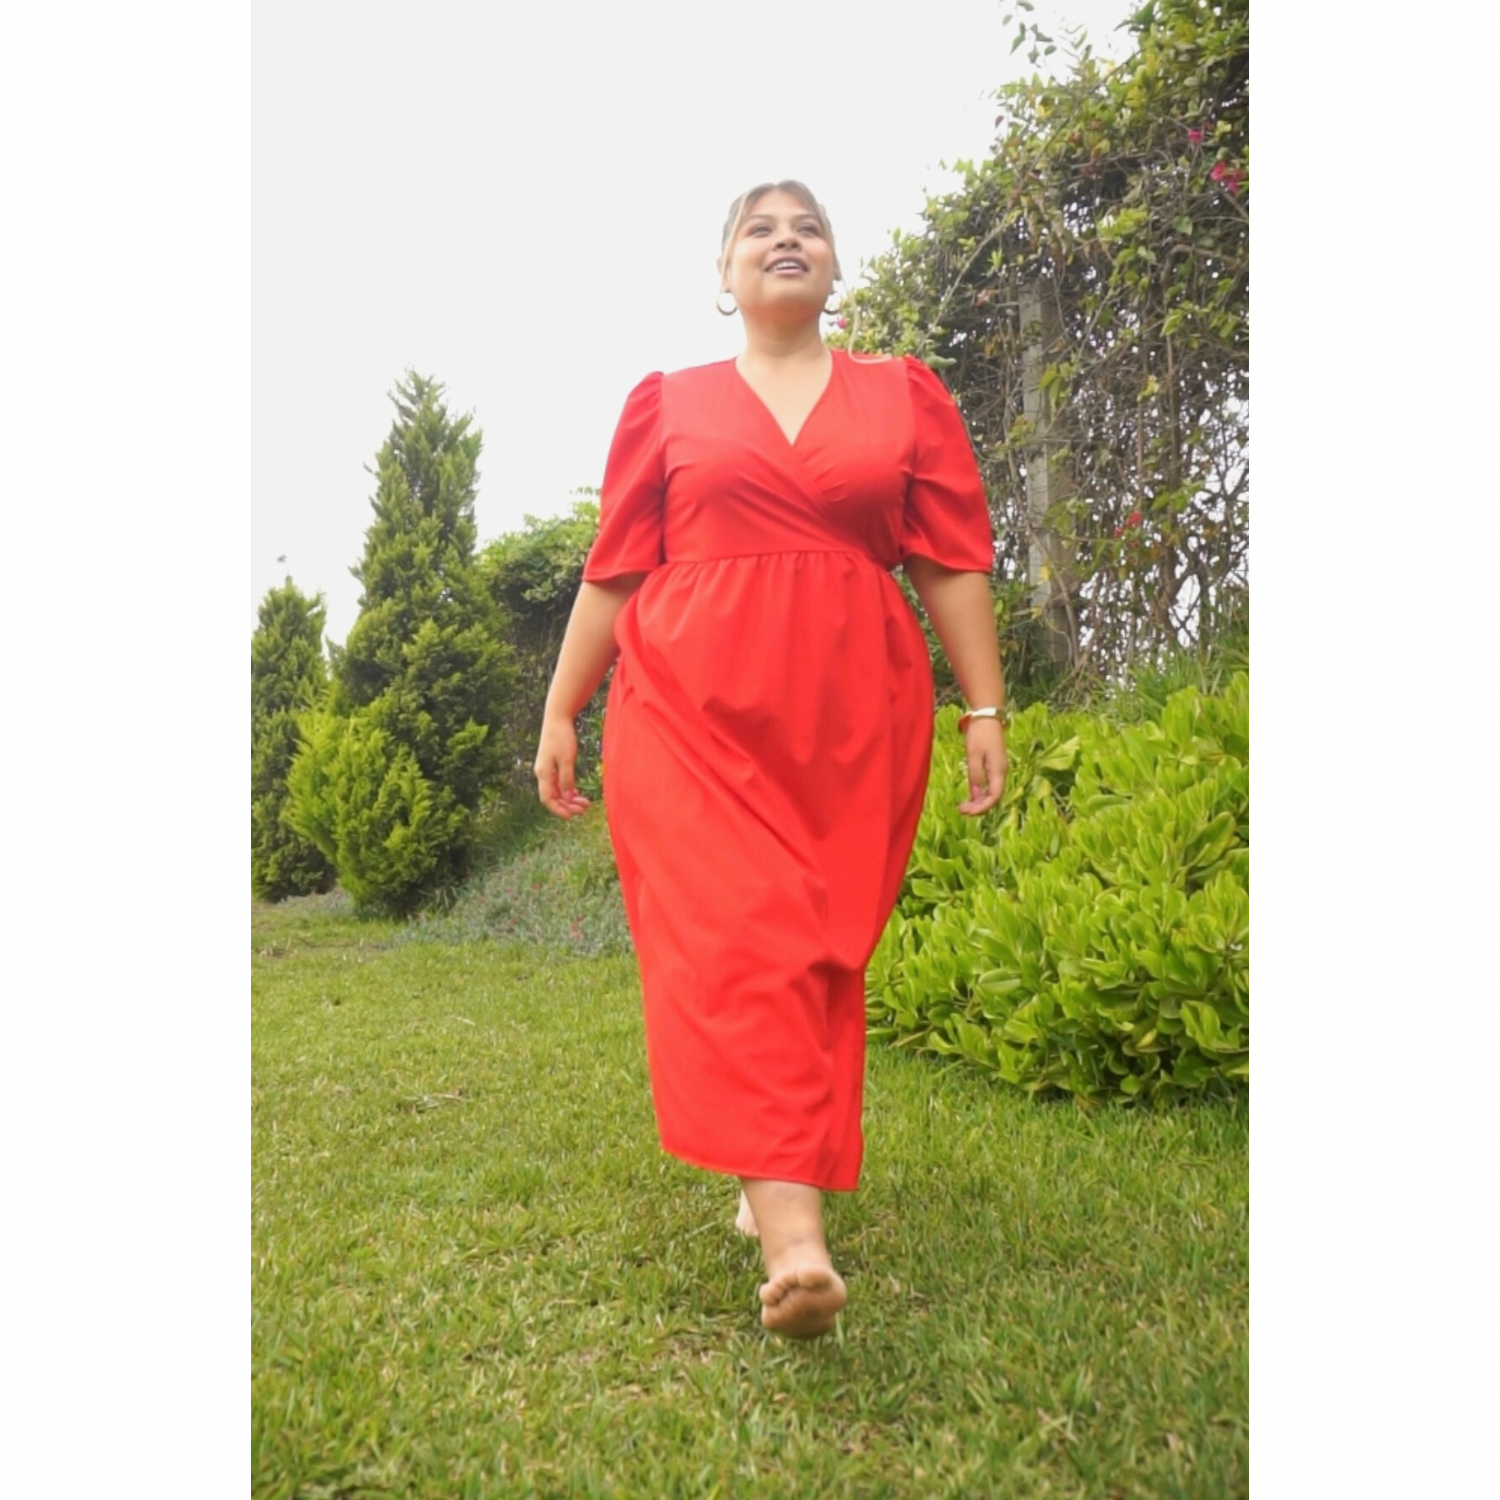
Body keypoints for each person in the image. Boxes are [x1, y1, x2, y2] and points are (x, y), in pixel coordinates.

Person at [534, 180, 1007, 1340]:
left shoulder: (903, 395)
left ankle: (770, 1158)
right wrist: (561, 709)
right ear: (725, 274)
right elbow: (615, 569)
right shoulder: (668, 404)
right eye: (760, 228)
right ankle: (797, 1247)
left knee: (812, 947)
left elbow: (949, 558)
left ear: (834, 268)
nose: (786, 240)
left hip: (847, 722)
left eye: (809, 229)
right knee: (734, 939)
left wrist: (984, 707)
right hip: (687, 715)